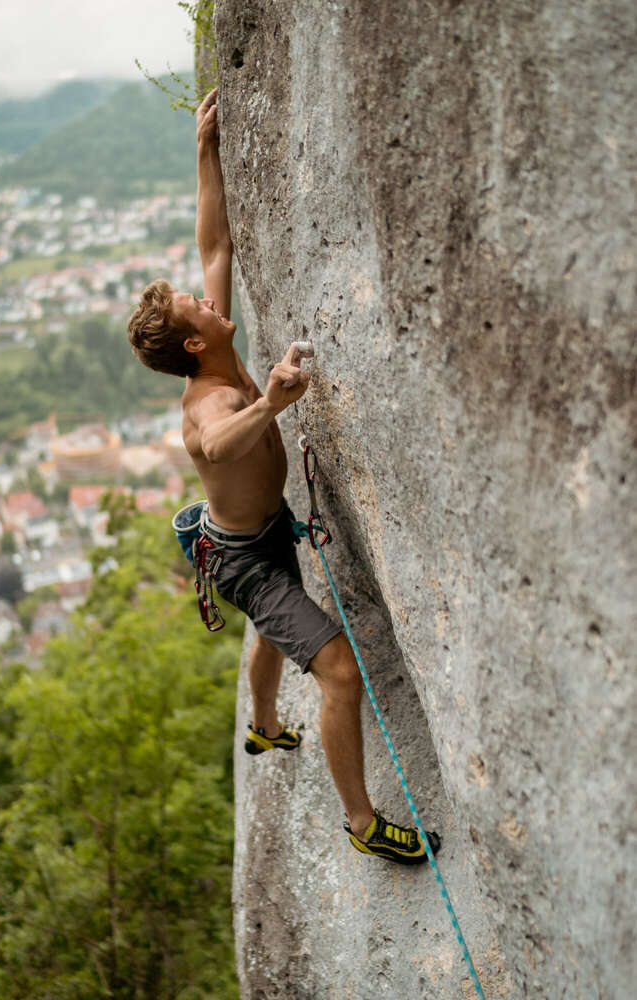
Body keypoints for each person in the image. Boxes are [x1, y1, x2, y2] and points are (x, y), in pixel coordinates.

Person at [127, 88, 440, 866]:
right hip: (242, 559)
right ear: (195, 347)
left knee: (272, 633)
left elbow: (216, 247)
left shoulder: (217, 349)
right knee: (337, 671)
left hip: (255, 533)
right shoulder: (210, 399)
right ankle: (364, 823)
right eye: (197, 310)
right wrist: (269, 401)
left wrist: (204, 149)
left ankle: (264, 723)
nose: (206, 299)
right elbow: (219, 445)